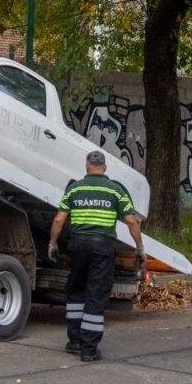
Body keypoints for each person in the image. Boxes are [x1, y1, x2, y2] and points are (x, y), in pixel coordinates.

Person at [47, 150, 145, 362]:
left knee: (76, 292)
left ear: (86, 167)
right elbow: (131, 221)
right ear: (105, 168)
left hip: (78, 246)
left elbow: (58, 219)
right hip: (102, 248)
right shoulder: (115, 190)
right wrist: (139, 247)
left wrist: (52, 244)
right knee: (95, 294)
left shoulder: (75, 188)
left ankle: (74, 341)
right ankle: (89, 349)